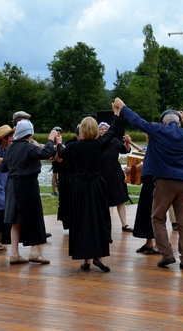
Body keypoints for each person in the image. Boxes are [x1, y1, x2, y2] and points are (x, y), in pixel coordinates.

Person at [115, 97, 183, 271]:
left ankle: (167, 254)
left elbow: (137, 120)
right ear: (177, 122)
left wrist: (123, 107)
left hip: (164, 183)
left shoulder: (158, 131)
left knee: (157, 217)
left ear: (164, 122)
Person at [57, 105, 122, 272]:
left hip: (78, 185)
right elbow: (111, 132)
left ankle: (85, 259)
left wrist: (58, 142)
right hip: (96, 184)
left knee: (81, 219)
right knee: (97, 218)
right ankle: (98, 256)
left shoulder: (73, 147)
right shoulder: (99, 144)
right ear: (94, 130)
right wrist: (116, 114)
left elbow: (61, 155)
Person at [0, 120, 59, 265]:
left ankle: (14, 253)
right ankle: (34, 252)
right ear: (30, 133)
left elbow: (3, 168)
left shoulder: (10, 148)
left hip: (12, 184)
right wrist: (51, 138)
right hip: (27, 184)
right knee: (34, 218)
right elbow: (46, 153)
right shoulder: (28, 147)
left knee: (15, 220)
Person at [98, 122, 133, 232]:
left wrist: (127, 143)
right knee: (104, 201)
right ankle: (104, 225)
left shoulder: (115, 141)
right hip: (102, 174)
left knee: (120, 199)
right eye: (101, 129)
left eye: (106, 129)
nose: (103, 131)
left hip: (116, 173)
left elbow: (126, 150)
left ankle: (124, 224)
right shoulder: (97, 143)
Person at [55, 125, 80, 230]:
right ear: (77, 135)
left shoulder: (88, 144)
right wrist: (58, 149)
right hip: (68, 176)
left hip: (77, 176)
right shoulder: (70, 144)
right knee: (68, 201)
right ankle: (71, 224)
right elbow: (59, 159)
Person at [50, 126, 64, 196]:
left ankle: (60, 188)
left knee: (60, 174)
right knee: (54, 175)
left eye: (59, 133)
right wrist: (51, 159)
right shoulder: (52, 142)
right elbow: (48, 153)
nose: (58, 135)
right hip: (54, 161)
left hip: (61, 160)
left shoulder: (62, 141)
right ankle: (53, 191)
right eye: (57, 133)